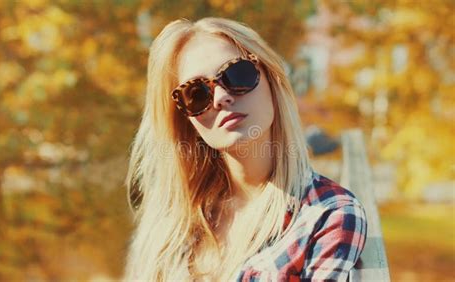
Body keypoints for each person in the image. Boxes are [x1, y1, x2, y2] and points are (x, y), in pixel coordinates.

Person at [123, 17, 367, 281]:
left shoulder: (328, 214)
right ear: (186, 121)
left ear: (272, 80)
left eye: (237, 74)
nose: (221, 97)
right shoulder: (172, 225)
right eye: (196, 94)